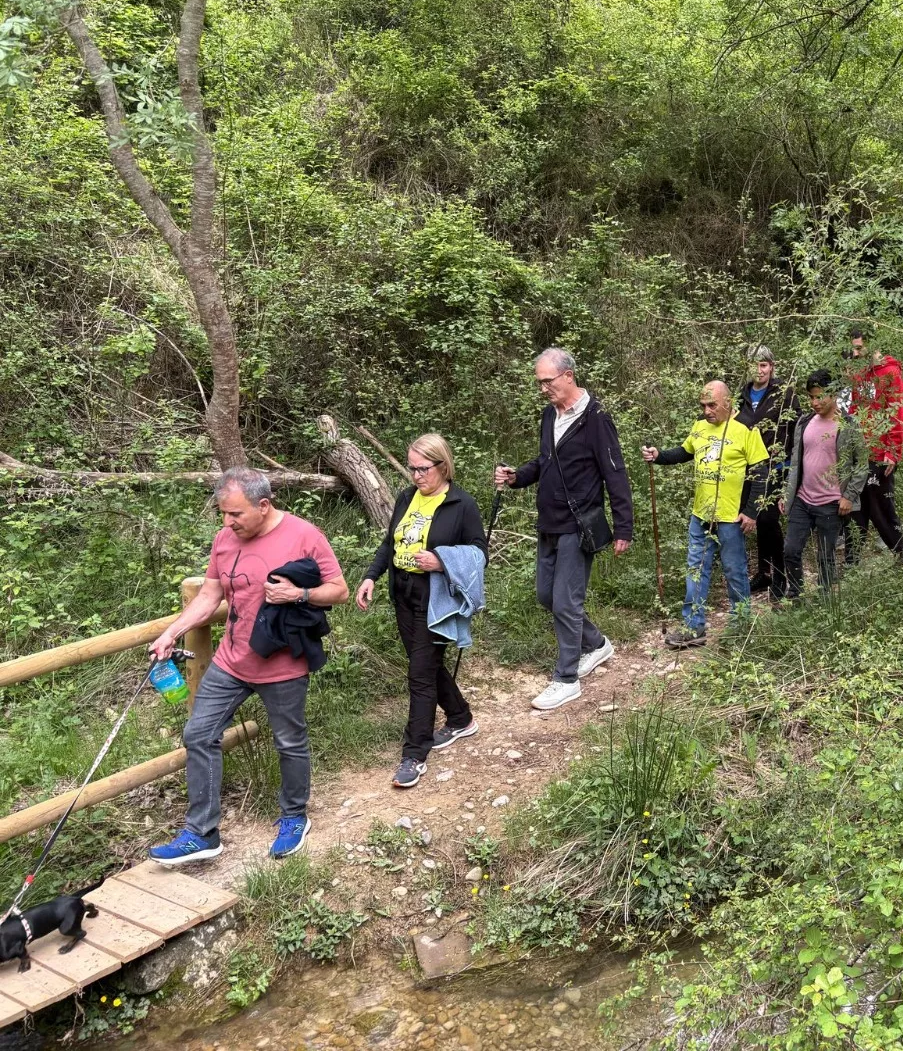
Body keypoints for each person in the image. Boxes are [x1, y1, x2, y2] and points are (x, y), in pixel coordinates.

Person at [148, 468, 349, 865]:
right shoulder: (225, 539)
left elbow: (338, 590)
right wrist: (172, 632)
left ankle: (294, 817)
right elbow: (209, 595)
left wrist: (300, 592)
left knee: (289, 742)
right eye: (223, 514)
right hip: (231, 660)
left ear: (263, 505)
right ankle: (202, 833)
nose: (227, 523)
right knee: (198, 733)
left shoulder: (304, 535)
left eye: (235, 514)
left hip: (283, 663)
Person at [494, 348, 633, 713]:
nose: (543, 388)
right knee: (546, 596)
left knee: (567, 602)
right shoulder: (549, 415)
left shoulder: (596, 418)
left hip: (579, 523)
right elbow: (545, 461)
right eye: (539, 382)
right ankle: (597, 643)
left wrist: (624, 527)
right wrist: (517, 477)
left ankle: (566, 678)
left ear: (568, 375)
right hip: (549, 522)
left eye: (547, 381)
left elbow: (614, 473)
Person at [357, 434, 487, 788]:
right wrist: (371, 577)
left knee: (419, 675)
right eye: (411, 468)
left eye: (422, 469)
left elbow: (478, 553)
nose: (416, 475)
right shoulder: (406, 498)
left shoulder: (462, 505)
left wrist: (442, 560)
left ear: (442, 466)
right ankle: (460, 718)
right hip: (403, 592)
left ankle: (414, 754)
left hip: (436, 597)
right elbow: (390, 542)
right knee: (425, 664)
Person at [643, 381, 769, 649]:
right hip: (700, 515)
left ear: (728, 402)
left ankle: (740, 625)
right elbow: (685, 452)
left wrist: (750, 512)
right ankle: (693, 627)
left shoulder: (746, 428)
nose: (707, 411)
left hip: (730, 517)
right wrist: (659, 456)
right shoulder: (700, 427)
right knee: (696, 570)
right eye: (703, 406)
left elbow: (761, 471)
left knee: (735, 570)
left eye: (712, 405)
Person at [779, 369, 868, 599]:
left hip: (831, 502)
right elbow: (797, 462)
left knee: (825, 555)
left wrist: (849, 496)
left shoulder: (848, 425)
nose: (815, 402)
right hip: (802, 498)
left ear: (834, 394)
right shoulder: (804, 422)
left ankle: (826, 600)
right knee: (790, 550)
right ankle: (795, 596)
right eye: (811, 397)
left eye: (820, 396)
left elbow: (862, 464)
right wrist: (787, 493)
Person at [736, 346, 799, 600]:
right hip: (748, 467)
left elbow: (796, 428)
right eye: (754, 365)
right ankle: (764, 573)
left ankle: (781, 576)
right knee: (754, 518)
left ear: (771, 367)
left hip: (776, 466)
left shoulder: (783, 393)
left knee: (768, 520)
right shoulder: (741, 395)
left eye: (764, 365)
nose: (759, 370)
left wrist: (789, 461)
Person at [842, 327, 903, 563]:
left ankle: (902, 554)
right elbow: (854, 409)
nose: (856, 353)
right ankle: (852, 561)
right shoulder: (859, 374)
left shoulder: (890, 372)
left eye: (860, 348)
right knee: (855, 507)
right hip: (859, 452)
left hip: (881, 453)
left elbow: (898, 412)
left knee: (881, 509)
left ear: (873, 345)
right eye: (854, 348)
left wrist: (893, 450)